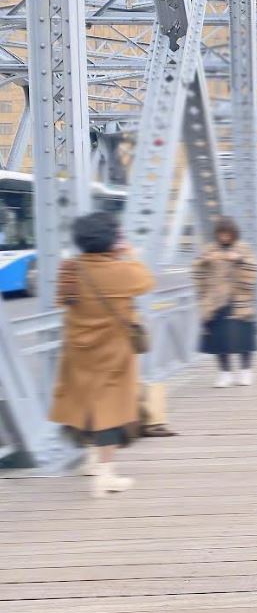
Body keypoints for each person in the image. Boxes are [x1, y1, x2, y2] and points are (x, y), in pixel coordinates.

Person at [50, 211, 154, 497]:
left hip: (78, 352)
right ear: (111, 240)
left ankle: (91, 460)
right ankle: (105, 477)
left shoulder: (69, 269)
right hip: (112, 354)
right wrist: (129, 254)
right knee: (109, 413)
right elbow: (146, 282)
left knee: (85, 406)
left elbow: (63, 301)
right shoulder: (121, 271)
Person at [192, 217, 257, 388]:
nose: (224, 237)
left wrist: (239, 260)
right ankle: (225, 373)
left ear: (233, 233)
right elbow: (196, 270)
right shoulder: (209, 249)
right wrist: (205, 262)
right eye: (221, 234)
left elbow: (254, 270)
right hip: (216, 302)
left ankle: (246, 371)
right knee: (219, 340)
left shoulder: (243, 248)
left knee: (243, 338)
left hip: (240, 300)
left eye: (227, 234)